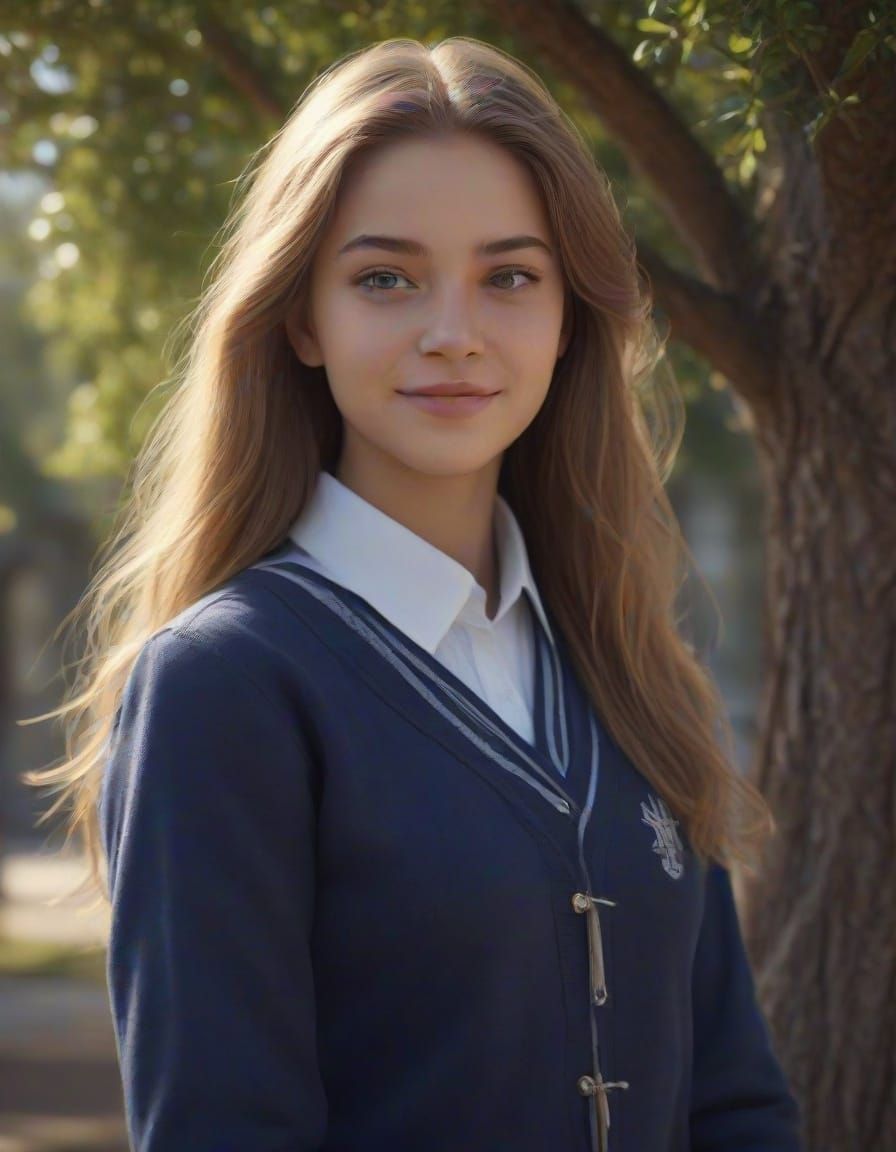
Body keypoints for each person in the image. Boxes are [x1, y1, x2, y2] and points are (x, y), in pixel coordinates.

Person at [29, 35, 803, 1152]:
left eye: (509, 277)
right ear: (304, 318)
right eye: (384, 278)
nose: (453, 334)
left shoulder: (630, 665)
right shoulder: (224, 686)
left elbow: (735, 1103)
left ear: (567, 317)